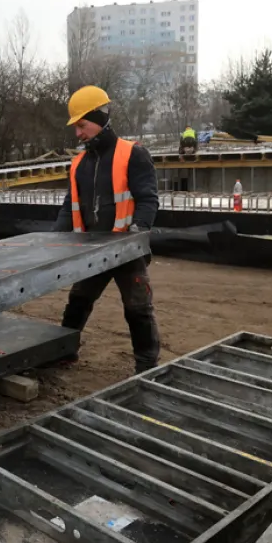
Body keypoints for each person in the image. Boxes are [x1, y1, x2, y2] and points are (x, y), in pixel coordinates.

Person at [50, 85, 162, 374]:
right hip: (91, 249)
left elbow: (148, 199)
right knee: (78, 302)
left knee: (138, 308)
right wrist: (52, 241)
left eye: (82, 125)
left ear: (99, 118)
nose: (78, 134)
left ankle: (146, 365)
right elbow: (69, 207)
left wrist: (137, 233)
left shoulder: (132, 153)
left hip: (125, 250)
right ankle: (64, 352)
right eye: (76, 127)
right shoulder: (79, 164)